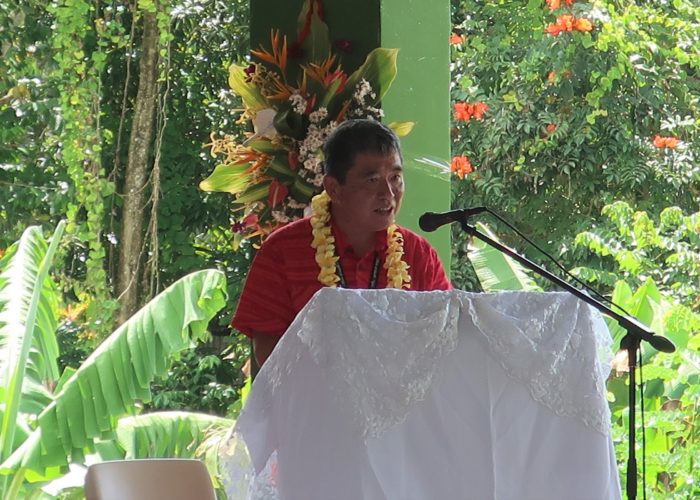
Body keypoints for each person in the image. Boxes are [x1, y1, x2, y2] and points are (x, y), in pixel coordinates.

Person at [232, 119, 452, 366]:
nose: (388, 194)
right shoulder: (282, 250)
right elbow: (267, 350)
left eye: (395, 178)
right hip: (314, 401)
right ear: (334, 189)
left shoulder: (418, 254)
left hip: (402, 402)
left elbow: (444, 338)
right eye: (372, 180)